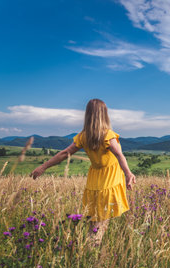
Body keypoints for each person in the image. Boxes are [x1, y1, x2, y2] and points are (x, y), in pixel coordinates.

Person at [31, 99, 136, 245]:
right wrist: (128, 173)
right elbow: (119, 154)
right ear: (104, 115)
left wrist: (43, 167)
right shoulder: (108, 135)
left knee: (95, 222)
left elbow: (64, 153)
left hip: (94, 181)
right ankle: (90, 252)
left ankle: (85, 248)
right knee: (101, 223)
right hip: (109, 179)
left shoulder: (83, 136)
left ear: (87, 115)